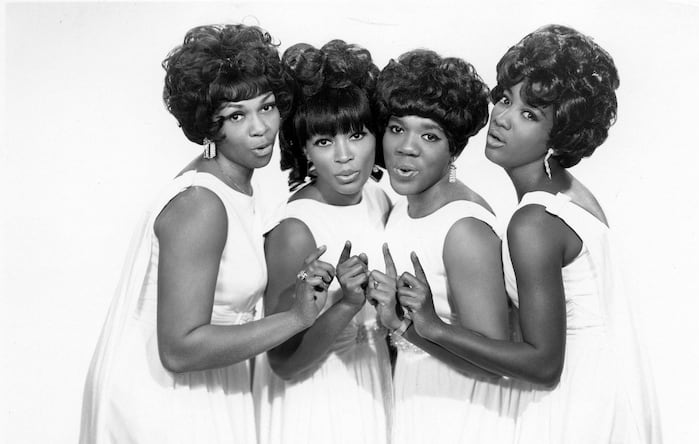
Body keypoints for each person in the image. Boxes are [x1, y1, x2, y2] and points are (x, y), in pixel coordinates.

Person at [397, 25, 661, 443]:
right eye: (505, 98)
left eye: (529, 114)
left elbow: (543, 366)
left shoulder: (532, 220)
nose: (501, 118)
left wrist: (432, 326)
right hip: (613, 389)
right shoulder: (571, 195)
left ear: (560, 135)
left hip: (575, 405)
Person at [79, 24, 335, 444]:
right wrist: (295, 318)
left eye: (267, 107)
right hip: (165, 403)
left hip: (205, 389)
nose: (260, 128)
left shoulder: (233, 188)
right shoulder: (203, 202)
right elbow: (179, 349)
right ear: (207, 126)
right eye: (237, 116)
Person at [367, 49, 518, 444]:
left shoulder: (463, 227)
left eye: (429, 135)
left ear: (454, 150)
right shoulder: (401, 210)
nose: (406, 147)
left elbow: (492, 365)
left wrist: (402, 326)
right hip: (415, 396)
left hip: (462, 411)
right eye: (397, 129)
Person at [253, 40, 393, 444]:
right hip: (316, 401)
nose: (346, 156)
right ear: (306, 152)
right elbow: (284, 362)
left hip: (371, 381)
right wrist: (346, 304)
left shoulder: (376, 198)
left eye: (356, 134)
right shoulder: (295, 228)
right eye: (325, 141)